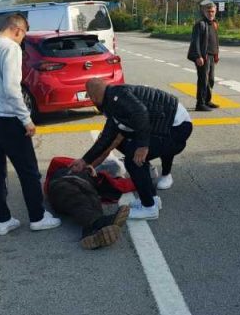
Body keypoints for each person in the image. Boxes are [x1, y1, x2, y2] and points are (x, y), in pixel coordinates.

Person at [0, 13, 61, 235]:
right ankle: (37, 217)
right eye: (23, 35)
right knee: (28, 170)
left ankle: (3, 221)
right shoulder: (10, 48)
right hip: (7, 119)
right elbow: (11, 89)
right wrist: (26, 119)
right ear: (17, 30)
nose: (22, 41)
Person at [69, 79, 194, 220]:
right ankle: (152, 199)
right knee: (133, 153)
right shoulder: (111, 101)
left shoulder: (118, 98)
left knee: (133, 160)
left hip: (177, 127)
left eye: (90, 97)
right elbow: (106, 138)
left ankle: (149, 208)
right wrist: (85, 160)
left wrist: (142, 146)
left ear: (94, 97)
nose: (91, 101)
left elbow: (141, 113)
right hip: (167, 124)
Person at [46, 166, 130, 250]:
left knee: (92, 199)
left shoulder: (89, 173)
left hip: (85, 183)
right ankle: (99, 223)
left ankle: (91, 230)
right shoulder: (66, 166)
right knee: (75, 197)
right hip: (60, 182)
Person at [188, 0, 221, 112]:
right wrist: (198, 56)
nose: (211, 13)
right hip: (203, 57)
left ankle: (207, 101)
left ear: (215, 11)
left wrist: (216, 54)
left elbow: (215, 40)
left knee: (210, 79)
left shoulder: (215, 24)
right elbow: (195, 41)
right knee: (203, 79)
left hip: (212, 56)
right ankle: (200, 103)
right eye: (209, 11)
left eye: (212, 11)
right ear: (204, 12)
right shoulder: (200, 24)